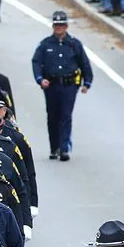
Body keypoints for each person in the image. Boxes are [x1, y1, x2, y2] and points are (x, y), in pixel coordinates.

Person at [31, 10, 92, 161]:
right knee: (52, 116)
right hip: (51, 85)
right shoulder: (45, 44)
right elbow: (36, 62)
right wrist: (40, 79)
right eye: (56, 24)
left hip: (69, 85)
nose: (59, 27)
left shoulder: (74, 44)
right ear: (53, 26)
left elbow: (84, 63)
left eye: (62, 25)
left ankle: (64, 148)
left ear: (66, 26)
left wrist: (87, 83)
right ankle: (54, 148)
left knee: (66, 115)